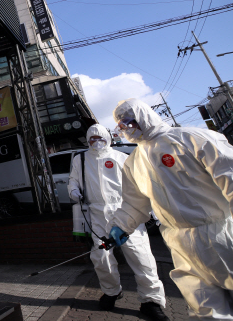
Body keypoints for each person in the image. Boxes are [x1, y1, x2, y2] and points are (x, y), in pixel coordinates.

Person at [108, 98, 233, 320]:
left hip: (221, 235)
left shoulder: (191, 138)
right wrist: (121, 226)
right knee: (204, 307)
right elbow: (134, 202)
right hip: (180, 243)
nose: (127, 129)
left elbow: (232, 178)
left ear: (143, 117)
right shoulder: (134, 162)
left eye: (129, 123)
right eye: (121, 126)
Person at [69, 123, 168, 320]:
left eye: (100, 138)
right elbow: (73, 181)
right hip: (98, 216)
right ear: (87, 141)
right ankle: (112, 291)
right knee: (101, 259)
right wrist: (73, 191)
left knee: (141, 258)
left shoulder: (122, 158)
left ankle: (151, 302)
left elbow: (142, 185)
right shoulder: (80, 160)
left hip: (127, 213)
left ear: (108, 138)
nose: (96, 142)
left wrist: (154, 211)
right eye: (92, 139)